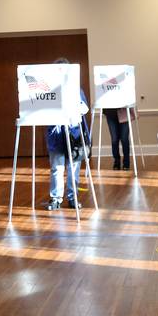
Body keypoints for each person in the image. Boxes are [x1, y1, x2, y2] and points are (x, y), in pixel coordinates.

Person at [46, 58, 89, 211]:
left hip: (74, 134)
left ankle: (72, 197)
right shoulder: (47, 90)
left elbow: (84, 109)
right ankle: (56, 198)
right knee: (57, 167)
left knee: (73, 167)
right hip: (56, 134)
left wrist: (74, 106)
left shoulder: (76, 89)